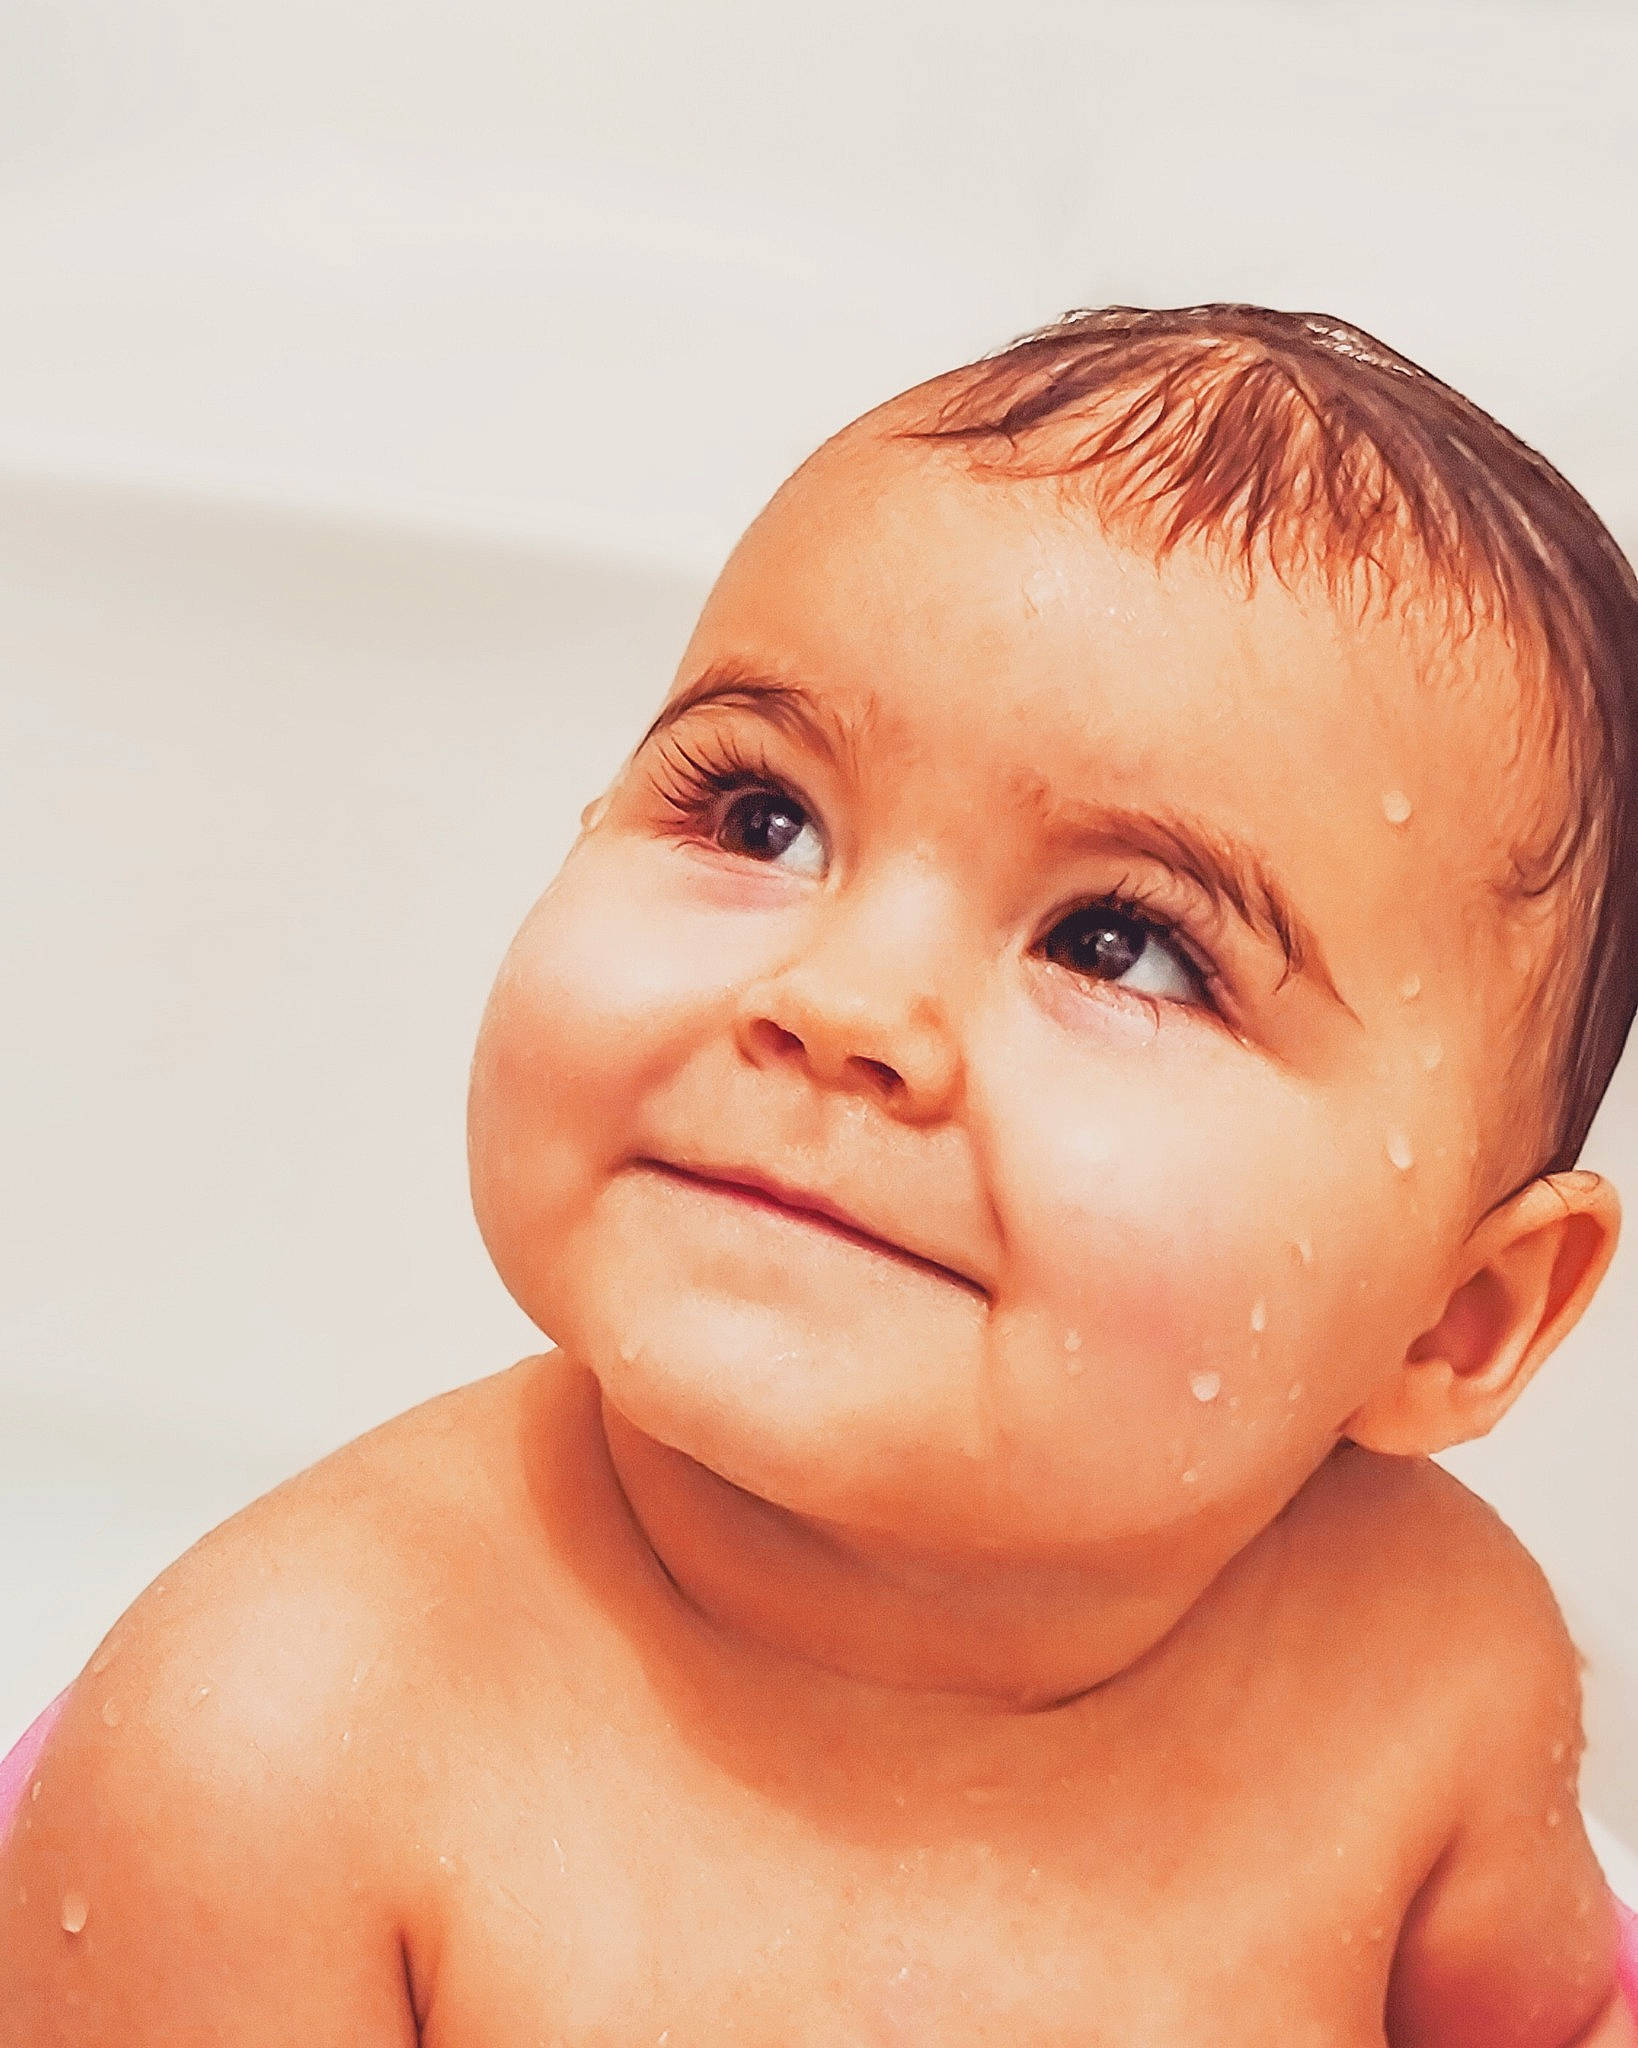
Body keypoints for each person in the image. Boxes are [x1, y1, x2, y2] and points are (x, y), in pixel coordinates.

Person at [4, 303, 1637, 2045]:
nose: (843, 1008)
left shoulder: (1428, 1666)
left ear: (1456, 1323)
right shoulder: (279, 1749)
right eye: (757, 817)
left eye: (1119, 944)